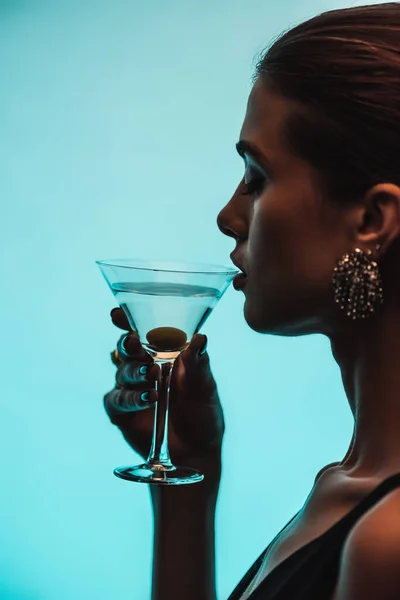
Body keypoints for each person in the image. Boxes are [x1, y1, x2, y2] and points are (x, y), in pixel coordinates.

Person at [104, 3, 400, 599]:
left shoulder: (387, 541)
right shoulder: (347, 490)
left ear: (371, 219)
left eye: (257, 178)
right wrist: (190, 476)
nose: (228, 216)